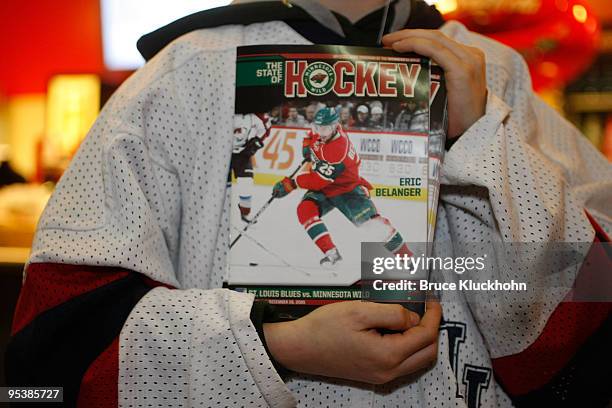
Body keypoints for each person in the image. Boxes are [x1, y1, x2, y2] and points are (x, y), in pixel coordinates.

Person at [6, 1, 611, 407]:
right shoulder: (181, 75)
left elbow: (593, 300)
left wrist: (483, 138)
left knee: (363, 219)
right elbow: (49, 361)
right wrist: (271, 343)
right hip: (321, 203)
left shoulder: (496, 71)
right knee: (311, 211)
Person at [271, 107, 412, 266]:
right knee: (305, 209)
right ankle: (332, 254)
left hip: (347, 190)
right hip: (327, 187)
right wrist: (307, 145)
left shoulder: (338, 150)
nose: (320, 132)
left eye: (323, 129)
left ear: (334, 126)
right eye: (318, 127)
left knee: (375, 227)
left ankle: (407, 259)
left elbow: (318, 181)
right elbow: (311, 135)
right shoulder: (326, 131)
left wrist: (293, 183)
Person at [231, 113, 270, 222]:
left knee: (246, 182)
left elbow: (266, 128)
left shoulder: (257, 114)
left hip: (242, 154)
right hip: (221, 153)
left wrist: (256, 141)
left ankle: (245, 212)